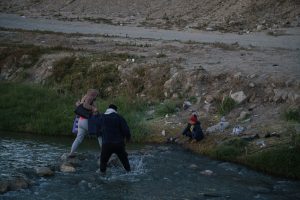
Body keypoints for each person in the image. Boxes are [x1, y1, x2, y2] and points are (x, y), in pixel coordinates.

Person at [97, 104, 131, 173]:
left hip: (106, 144)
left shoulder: (101, 117)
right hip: (119, 144)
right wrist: (128, 138)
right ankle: (129, 172)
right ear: (115, 110)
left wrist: (101, 141)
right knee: (126, 164)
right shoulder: (119, 117)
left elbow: (98, 132)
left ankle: (102, 178)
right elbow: (126, 130)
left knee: (103, 164)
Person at [69, 89, 102, 158]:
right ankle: (104, 153)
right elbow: (85, 105)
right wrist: (93, 108)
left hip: (80, 121)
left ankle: (71, 153)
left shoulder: (84, 97)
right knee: (100, 134)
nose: (96, 97)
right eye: (96, 95)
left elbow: (81, 105)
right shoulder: (90, 97)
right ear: (93, 94)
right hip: (87, 121)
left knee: (78, 138)